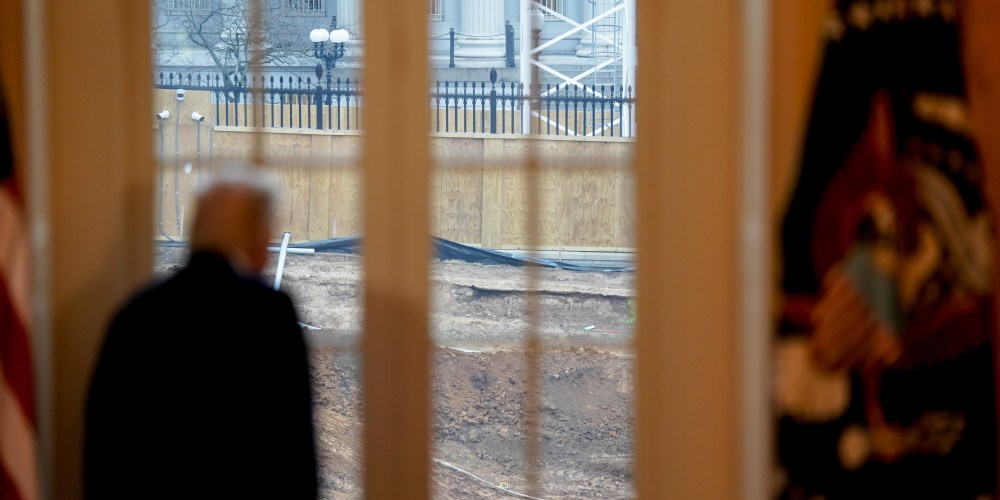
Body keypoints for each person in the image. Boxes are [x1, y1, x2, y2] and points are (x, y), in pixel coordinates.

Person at [84, 163, 318, 498]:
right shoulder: (269, 315)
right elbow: (294, 454)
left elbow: (103, 450)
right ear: (259, 238)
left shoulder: (135, 314)